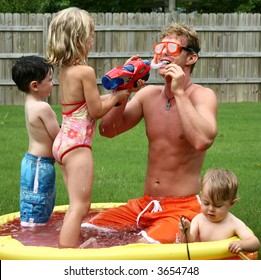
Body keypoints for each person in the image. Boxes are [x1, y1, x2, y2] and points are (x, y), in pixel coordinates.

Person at [85, 22, 218, 244]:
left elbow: (203, 140)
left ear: (190, 58)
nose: (163, 53)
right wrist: (123, 91)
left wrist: (178, 92)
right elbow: (107, 130)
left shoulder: (202, 96)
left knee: (140, 251)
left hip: (182, 206)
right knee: (87, 231)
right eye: (160, 48)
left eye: (172, 49)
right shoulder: (148, 95)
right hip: (145, 204)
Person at [46, 7, 130, 248]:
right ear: (78, 39)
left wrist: (117, 94)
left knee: (75, 204)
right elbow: (96, 112)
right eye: (91, 35)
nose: (93, 40)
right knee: (80, 207)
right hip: (78, 146)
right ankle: (67, 257)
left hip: (63, 143)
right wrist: (117, 98)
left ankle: (67, 243)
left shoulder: (66, 71)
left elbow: (84, 108)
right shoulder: (85, 71)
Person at [11, 55, 60, 227]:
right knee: (35, 214)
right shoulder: (42, 107)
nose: (53, 84)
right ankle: (31, 246)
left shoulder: (31, 104)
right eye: (50, 79)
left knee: (39, 208)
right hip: (40, 166)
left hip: (36, 164)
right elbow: (58, 136)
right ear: (34, 85)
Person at [179, 169, 260, 254]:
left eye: (217, 206)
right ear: (201, 198)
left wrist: (242, 244)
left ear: (231, 203)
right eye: (206, 203)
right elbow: (187, 245)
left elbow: (255, 243)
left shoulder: (233, 223)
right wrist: (186, 231)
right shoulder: (199, 220)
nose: (211, 209)